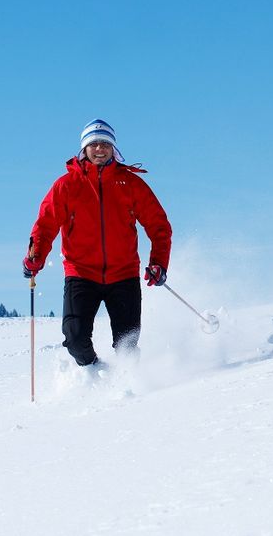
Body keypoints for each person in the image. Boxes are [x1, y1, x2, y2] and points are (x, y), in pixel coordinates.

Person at [23, 119, 172, 366]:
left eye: (105, 143)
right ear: (84, 149)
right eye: (94, 144)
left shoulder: (131, 184)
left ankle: (130, 383)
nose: (100, 149)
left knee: (126, 345)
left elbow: (159, 226)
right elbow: (45, 224)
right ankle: (95, 375)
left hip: (124, 274)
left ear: (114, 148)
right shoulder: (66, 185)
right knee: (75, 340)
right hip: (81, 274)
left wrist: (158, 263)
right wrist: (35, 255)